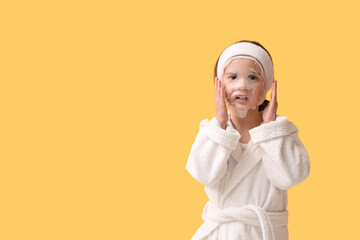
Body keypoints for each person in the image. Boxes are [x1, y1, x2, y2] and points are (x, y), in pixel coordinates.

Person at [186, 40, 310, 240]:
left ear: (266, 87)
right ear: (219, 85)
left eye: (253, 77)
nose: (242, 85)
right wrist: (220, 124)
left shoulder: (280, 132)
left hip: (264, 234)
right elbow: (203, 175)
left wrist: (270, 129)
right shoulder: (212, 132)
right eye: (233, 77)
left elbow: (290, 177)